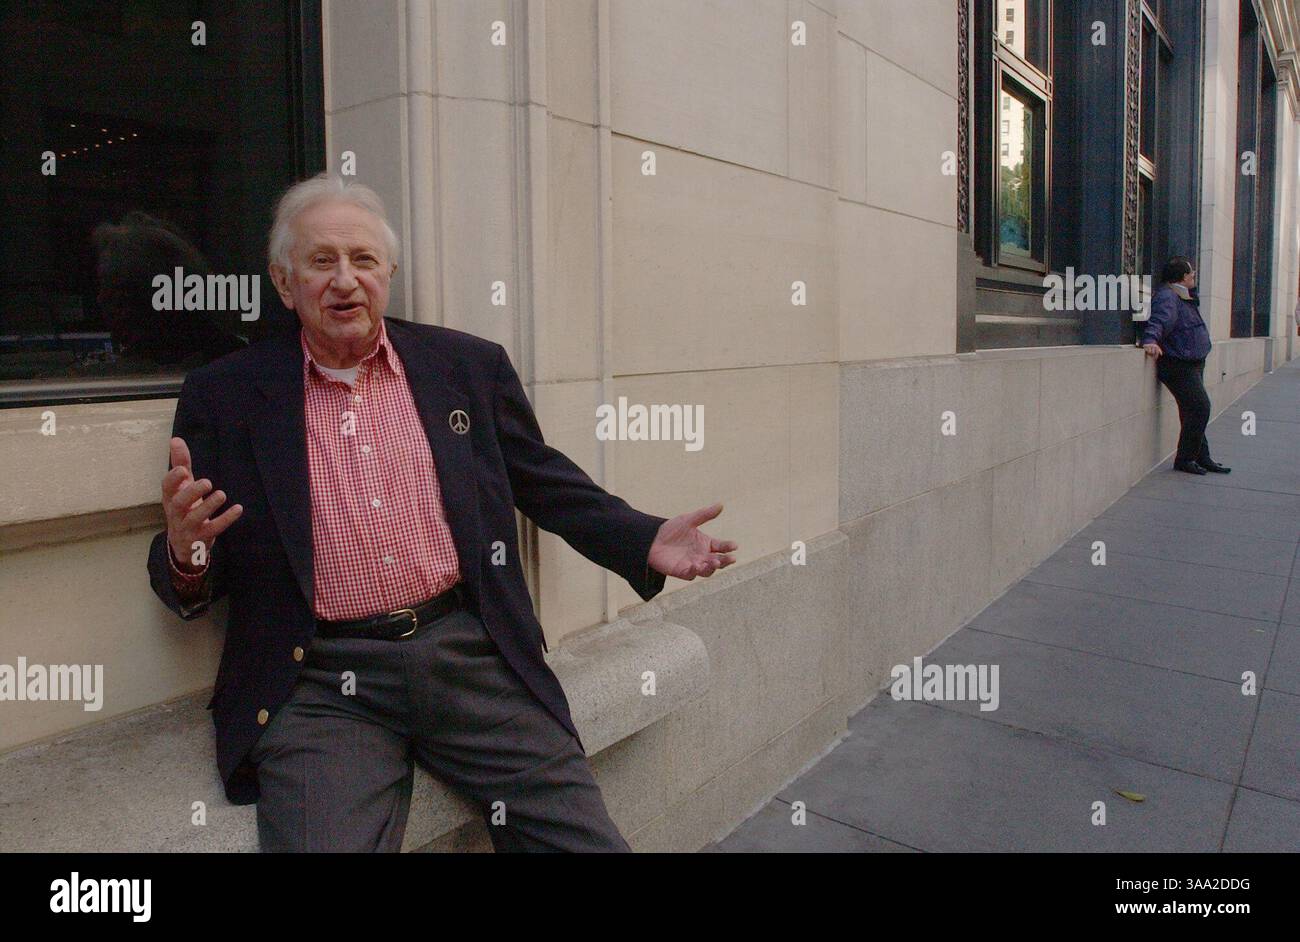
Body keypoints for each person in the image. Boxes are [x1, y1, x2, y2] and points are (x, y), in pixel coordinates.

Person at [146, 172, 738, 852]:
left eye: (363, 259)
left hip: (467, 655)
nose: (345, 280)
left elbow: (543, 480)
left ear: (388, 274)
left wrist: (642, 537)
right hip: (321, 682)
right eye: (321, 261)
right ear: (284, 283)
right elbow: (199, 556)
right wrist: (186, 552)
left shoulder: (465, 367)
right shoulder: (225, 395)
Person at [1140, 256, 1229, 475]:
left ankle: (1201, 456)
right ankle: (1185, 458)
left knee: (1193, 410)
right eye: (1191, 273)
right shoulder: (1168, 296)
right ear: (1182, 277)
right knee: (1200, 408)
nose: (1193, 275)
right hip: (1179, 363)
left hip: (1192, 360)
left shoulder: (1182, 295)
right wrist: (1150, 339)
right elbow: (1159, 320)